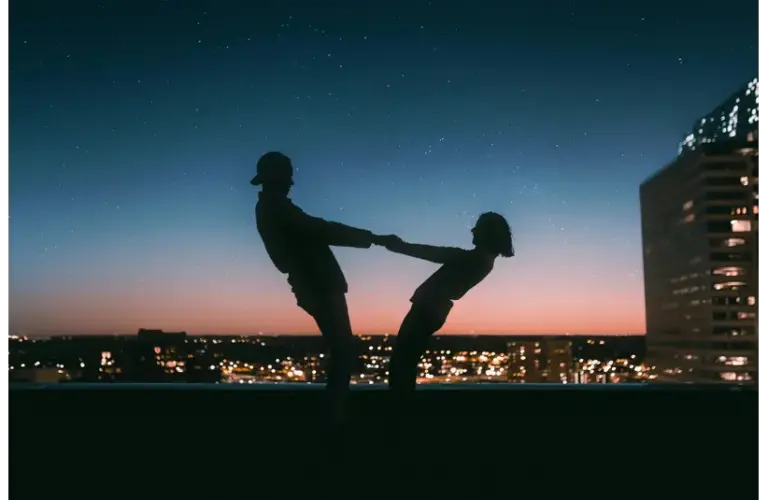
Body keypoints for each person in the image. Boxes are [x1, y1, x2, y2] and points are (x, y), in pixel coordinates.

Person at [250, 152, 394, 425]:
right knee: (343, 350)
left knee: (342, 349)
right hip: (317, 284)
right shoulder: (277, 208)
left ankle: (334, 414)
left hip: (314, 284)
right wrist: (372, 238)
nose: (290, 183)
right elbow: (322, 229)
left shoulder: (274, 208)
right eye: (286, 177)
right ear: (278, 179)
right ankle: (334, 418)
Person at [382, 212, 515, 407]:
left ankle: (399, 408)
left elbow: (431, 252)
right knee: (406, 360)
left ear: (487, 233)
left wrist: (398, 246)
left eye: (478, 227)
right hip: (434, 309)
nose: (473, 230)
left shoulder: (473, 259)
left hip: (428, 309)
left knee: (402, 361)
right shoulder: (482, 260)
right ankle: (401, 405)